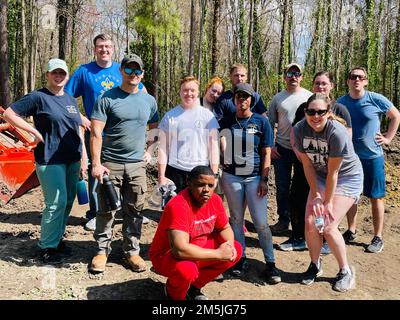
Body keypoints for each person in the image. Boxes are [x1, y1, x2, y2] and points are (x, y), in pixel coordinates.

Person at [4, 58, 87, 264]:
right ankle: (47, 247)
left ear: (67, 76)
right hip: (50, 160)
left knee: (68, 201)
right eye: (54, 73)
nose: (58, 76)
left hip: (72, 159)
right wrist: (32, 130)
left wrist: (84, 158)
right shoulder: (38, 97)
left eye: (62, 73)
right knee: (55, 203)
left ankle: (57, 240)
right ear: (48, 75)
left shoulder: (69, 99)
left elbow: (79, 129)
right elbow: (9, 113)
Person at [65, 34, 147, 231]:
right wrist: (81, 118)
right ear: (95, 49)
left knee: (127, 170)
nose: (104, 50)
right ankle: (95, 213)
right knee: (97, 170)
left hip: (122, 132)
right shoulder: (84, 72)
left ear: (113, 48)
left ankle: (129, 211)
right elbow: (66, 99)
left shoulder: (124, 69)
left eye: (108, 46)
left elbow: (143, 94)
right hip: (97, 131)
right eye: (100, 46)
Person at [89, 53, 158, 273]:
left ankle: (132, 252)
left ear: (142, 73)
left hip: (137, 165)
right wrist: (96, 164)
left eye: (137, 70)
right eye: (129, 69)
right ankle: (101, 251)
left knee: (135, 209)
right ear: (121, 71)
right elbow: (95, 133)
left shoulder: (149, 100)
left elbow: (154, 128)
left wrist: (150, 151)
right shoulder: (107, 98)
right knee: (106, 210)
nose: (133, 74)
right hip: (111, 165)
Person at [278, 71, 352, 254]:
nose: (321, 86)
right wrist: (300, 154)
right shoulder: (304, 107)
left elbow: (347, 138)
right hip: (307, 164)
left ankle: (325, 239)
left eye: (324, 83)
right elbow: (295, 133)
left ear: (331, 86)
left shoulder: (340, 109)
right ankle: (297, 237)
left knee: (327, 203)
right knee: (297, 198)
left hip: (330, 169)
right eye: (317, 83)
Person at [294, 93, 362, 292]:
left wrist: (328, 202)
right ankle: (315, 265)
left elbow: (335, 171)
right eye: (311, 112)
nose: (316, 116)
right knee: (311, 223)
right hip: (321, 177)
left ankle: (346, 270)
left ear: (328, 112)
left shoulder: (336, 132)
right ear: (305, 112)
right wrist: (316, 195)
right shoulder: (299, 129)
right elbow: (307, 165)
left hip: (347, 178)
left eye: (321, 112)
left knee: (329, 225)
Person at [149, 165, 242, 300]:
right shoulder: (178, 205)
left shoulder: (215, 200)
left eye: (211, 185)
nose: (206, 190)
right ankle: (174, 294)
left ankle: (193, 288)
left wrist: (229, 246)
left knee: (236, 250)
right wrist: (218, 254)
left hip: (196, 249)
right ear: (189, 182)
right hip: (166, 256)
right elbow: (179, 251)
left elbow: (224, 228)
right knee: (187, 269)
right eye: (200, 185)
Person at [219, 83, 281, 284]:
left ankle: (270, 263)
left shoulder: (261, 122)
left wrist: (264, 179)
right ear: (234, 99)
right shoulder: (227, 120)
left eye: (246, 97)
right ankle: (239, 258)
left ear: (251, 100)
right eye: (238, 96)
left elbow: (266, 153)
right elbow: (218, 139)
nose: (242, 100)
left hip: (254, 177)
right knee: (236, 219)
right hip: (232, 176)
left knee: (261, 222)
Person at [337, 67, 400, 253]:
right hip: (350, 158)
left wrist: (388, 137)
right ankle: (351, 230)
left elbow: (395, 115)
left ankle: (378, 236)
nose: (356, 79)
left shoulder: (375, 99)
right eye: (353, 77)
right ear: (347, 81)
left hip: (373, 157)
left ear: (365, 81)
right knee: (351, 196)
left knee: (376, 197)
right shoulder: (341, 103)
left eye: (360, 77)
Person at [268, 63, 313, 233]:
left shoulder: (310, 96)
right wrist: (271, 146)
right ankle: (283, 220)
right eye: (290, 73)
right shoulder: (277, 98)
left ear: (301, 77)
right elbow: (270, 124)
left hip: (304, 150)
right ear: (284, 76)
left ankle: (301, 221)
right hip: (282, 150)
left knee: (302, 188)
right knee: (282, 187)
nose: (293, 76)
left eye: (297, 73)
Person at [158, 76, 220, 193]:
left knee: (198, 210)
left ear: (198, 92)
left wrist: (214, 174)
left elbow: (214, 148)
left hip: (201, 171)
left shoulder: (208, 116)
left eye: (192, 90)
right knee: (174, 210)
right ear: (180, 92)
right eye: (185, 90)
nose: (188, 93)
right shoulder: (170, 116)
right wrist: (161, 175)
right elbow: (163, 148)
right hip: (175, 171)